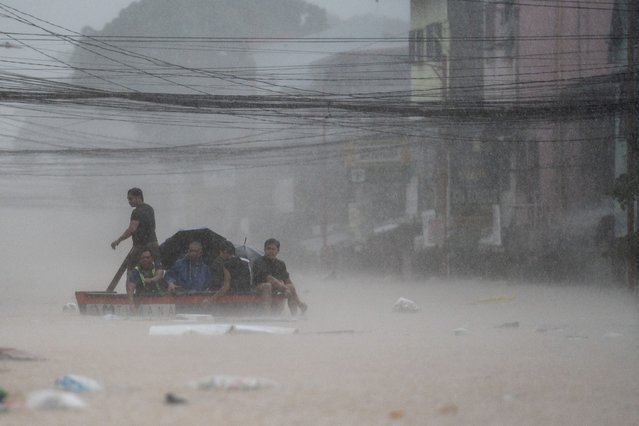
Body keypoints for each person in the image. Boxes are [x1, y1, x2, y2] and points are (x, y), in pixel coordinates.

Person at [210, 241, 272, 311]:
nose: (220, 255)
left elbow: (226, 286)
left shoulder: (226, 265)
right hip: (246, 295)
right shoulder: (246, 263)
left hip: (232, 297)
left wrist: (211, 299)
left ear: (225, 251)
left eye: (220, 252)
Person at [252, 238, 307, 316]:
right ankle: (267, 315)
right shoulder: (259, 262)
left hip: (277, 288)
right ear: (264, 249)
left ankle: (294, 316)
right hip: (259, 287)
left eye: (273, 249)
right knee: (267, 286)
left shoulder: (281, 264)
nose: (271, 251)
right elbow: (269, 279)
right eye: (268, 249)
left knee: (290, 286)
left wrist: (290, 289)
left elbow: (287, 280)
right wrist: (285, 288)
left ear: (278, 251)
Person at [111, 187, 160, 271]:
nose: (129, 201)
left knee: (131, 270)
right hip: (154, 244)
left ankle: (132, 283)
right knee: (156, 268)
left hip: (141, 245)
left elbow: (132, 229)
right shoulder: (150, 208)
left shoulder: (136, 212)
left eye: (130, 199)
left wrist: (118, 240)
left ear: (138, 197)